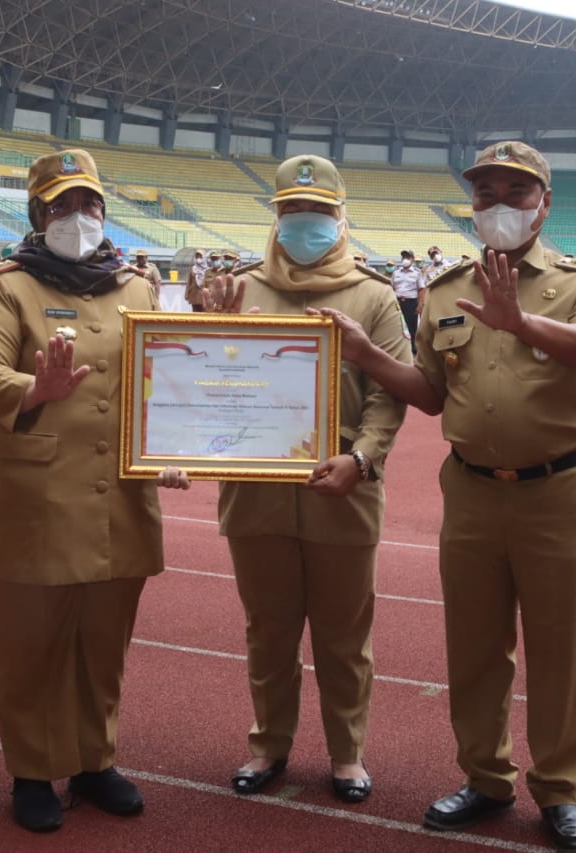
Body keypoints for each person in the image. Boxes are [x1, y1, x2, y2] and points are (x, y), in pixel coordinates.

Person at [324, 140, 576, 852]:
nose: (499, 205)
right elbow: (429, 393)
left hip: (556, 489)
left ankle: (560, 788)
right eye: (486, 193)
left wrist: (521, 322)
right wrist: (367, 355)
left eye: (517, 192)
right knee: (475, 646)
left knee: (560, 647)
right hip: (473, 490)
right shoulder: (447, 288)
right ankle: (485, 777)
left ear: (544, 204)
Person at [0, 147, 189, 833]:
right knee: (29, 647)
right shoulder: (7, 287)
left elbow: (163, 380)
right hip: (32, 499)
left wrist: (175, 447)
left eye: (89, 202)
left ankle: (93, 761)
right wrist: (35, 388)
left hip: (118, 498)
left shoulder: (136, 287)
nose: (78, 215)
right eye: (62, 204)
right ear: (37, 213)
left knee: (102, 645)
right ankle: (32, 772)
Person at [204, 155, 409, 805]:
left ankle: (347, 753)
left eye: (318, 211)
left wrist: (363, 458)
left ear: (340, 218)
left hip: (342, 490)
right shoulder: (239, 288)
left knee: (344, 637)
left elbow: (388, 393)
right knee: (268, 631)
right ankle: (269, 743)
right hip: (255, 492)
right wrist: (211, 326)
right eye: (292, 210)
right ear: (275, 216)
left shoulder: (373, 295)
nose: (304, 222)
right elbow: (206, 382)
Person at [391, 248, 426, 349]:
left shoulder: (417, 273)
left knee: (412, 327)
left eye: (408, 257)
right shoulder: (396, 272)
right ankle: (399, 347)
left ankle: (413, 348)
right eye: (403, 257)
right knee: (397, 326)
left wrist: (420, 304)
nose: (405, 259)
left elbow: (421, 289)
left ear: (412, 259)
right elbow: (392, 288)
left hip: (411, 303)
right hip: (397, 302)